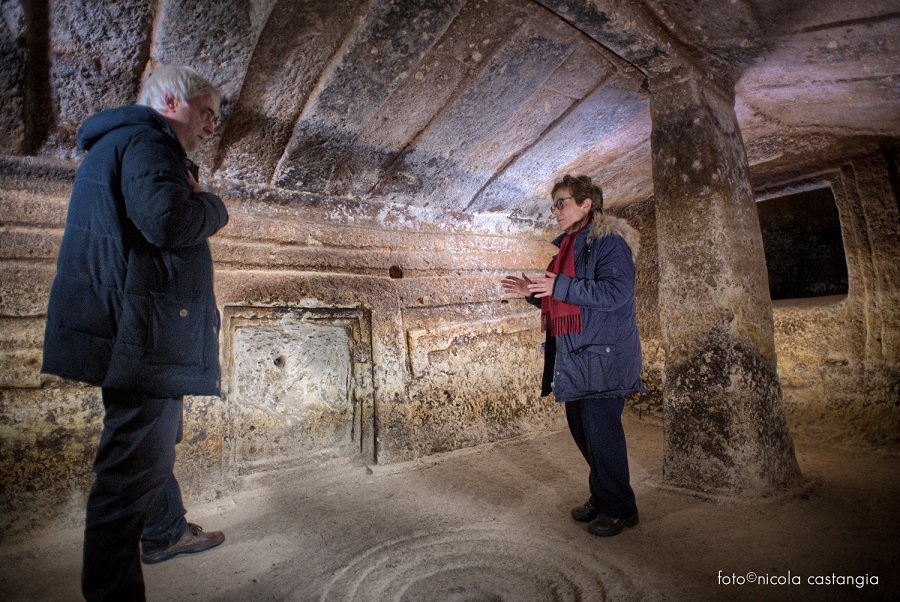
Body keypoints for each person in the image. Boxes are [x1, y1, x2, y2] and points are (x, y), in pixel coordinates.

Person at [42, 64, 228, 600]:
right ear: (171, 102)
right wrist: (214, 205)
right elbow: (167, 223)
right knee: (128, 474)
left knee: (151, 445)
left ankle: (165, 531)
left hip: (134, 331)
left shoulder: (122, 144)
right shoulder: (150, 143)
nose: (211, 127)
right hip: (144, 338)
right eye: (207, 114)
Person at [501, 174, 646, 537]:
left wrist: (558, 285)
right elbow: (567, 300)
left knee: (603, 436)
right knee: (584, 433)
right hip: (576, 356)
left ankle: (620, 509)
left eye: (561, 202)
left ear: (586, 204)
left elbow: (616, 294)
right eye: (553, 204)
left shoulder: (608, 242)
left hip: (603, 356)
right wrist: (532, 293)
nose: (555, 211)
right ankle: (603, 495)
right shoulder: (571, 246)